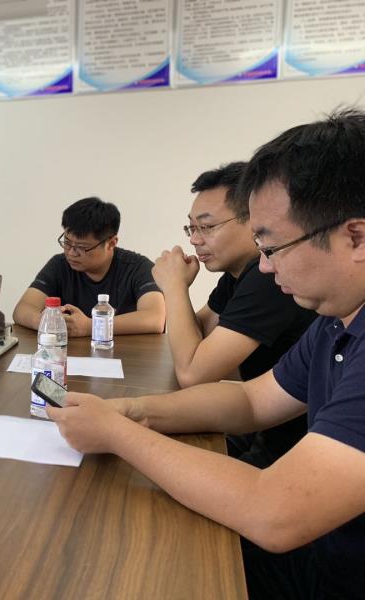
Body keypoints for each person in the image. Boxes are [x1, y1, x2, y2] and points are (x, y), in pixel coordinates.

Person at [46, 109, 365, 599]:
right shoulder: (334, 317)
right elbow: (252, 400)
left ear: (356, 237)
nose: (264, 266)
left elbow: (275, 512)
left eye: (272, 246)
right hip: (318, 550)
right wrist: (130, 410)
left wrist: (117, 433)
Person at [153, 162, 316, 467]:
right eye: (191, 228)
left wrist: (174, 287)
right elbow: (199, 332)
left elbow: (193, 373)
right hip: (264, 425)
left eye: (207, 227)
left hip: (293, 443)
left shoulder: (268, 279)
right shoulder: (238, 274)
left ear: (252, 221)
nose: (194, 239)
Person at [12, 197, 165, 336]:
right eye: (67, 242)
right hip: (69, 353)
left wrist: (91, 326)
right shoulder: (59, 264)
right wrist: (45, 322)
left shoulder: (138, 267)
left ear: (111, 243)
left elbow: (155, 318)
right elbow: (22, 309)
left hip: (125, 354)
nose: (71, 253)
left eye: (82, 247)